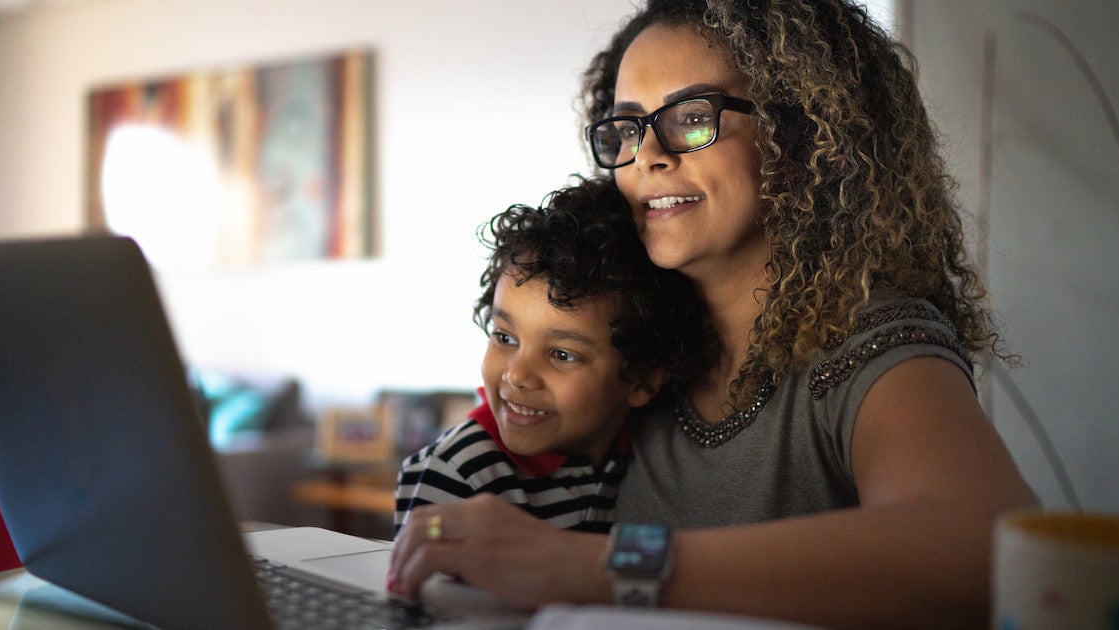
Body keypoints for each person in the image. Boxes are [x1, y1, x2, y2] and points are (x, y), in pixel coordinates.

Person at [389, 1, 1036, 628]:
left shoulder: (867, 342)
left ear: (803, 132)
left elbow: (984, 554)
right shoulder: (637, 344)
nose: (648, 156)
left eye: (692, 116)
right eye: (627, 127)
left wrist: (598, 566)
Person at [393, 177, 715, 536]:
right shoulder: (457, 474)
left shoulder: (646, 455)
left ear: (642, 379)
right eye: (504, 337)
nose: (517, 375)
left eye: (562, 354)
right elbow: (423, 587)